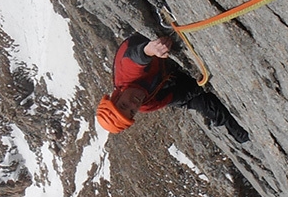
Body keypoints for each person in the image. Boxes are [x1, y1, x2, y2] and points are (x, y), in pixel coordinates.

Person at [96, 33, 250, 143]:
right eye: (131, 112)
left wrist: (151, 49)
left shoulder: (126, 75)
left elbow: (136, 57)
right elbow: (179, 96)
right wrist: (200, 85)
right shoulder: (146, 105)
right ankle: (241, 134)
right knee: (211, 110)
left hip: (156, 55)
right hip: (169, 78)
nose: (133, 104)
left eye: (124, 104)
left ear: (117, 96)